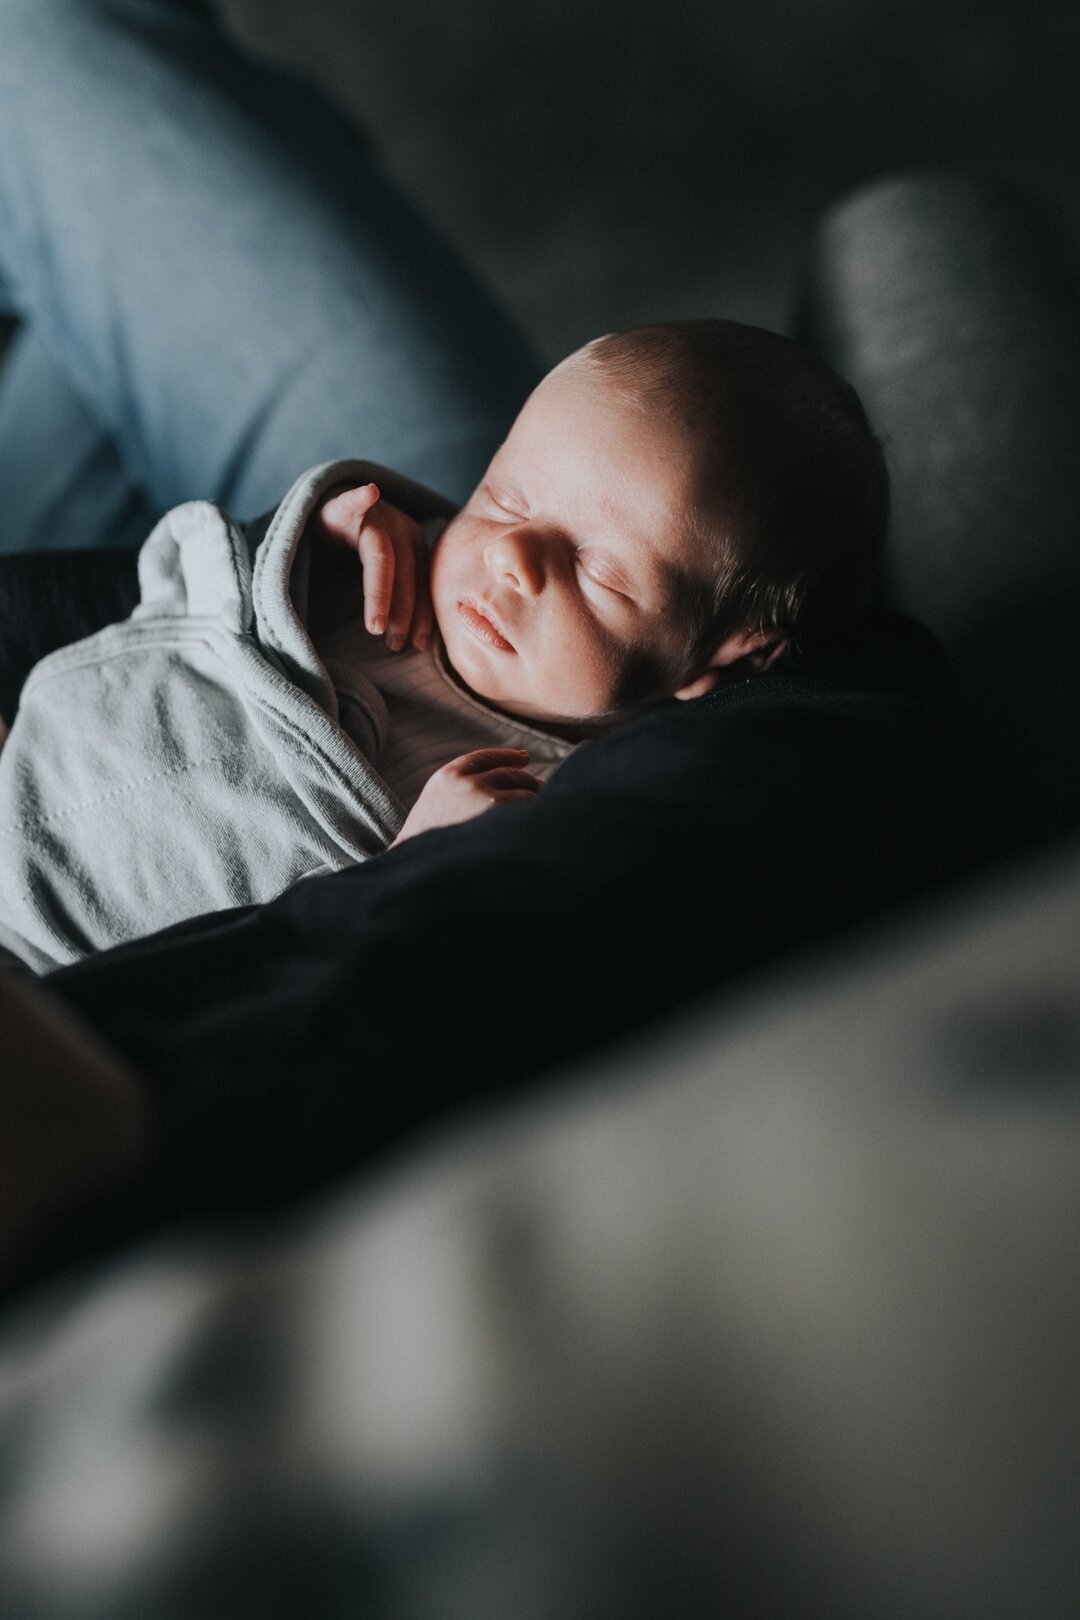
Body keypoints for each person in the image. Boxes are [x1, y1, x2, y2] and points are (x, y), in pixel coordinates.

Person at [0, 312, 886, 973]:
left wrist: (416, 873)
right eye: (501, 494)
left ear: (725, 658)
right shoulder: (390, 576)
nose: (511, 559)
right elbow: (202, 590)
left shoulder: (565, 795)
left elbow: (296, 968)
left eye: (602, 576)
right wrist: (318, 540)